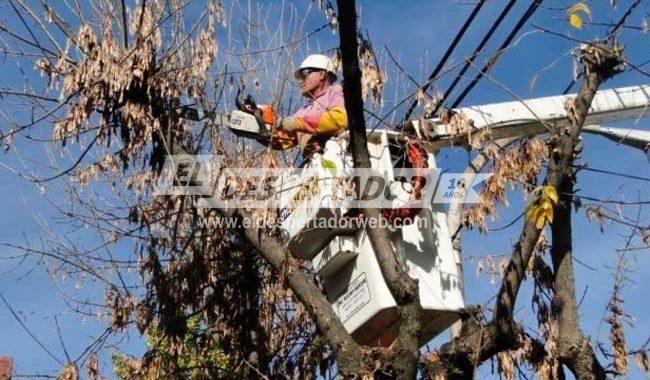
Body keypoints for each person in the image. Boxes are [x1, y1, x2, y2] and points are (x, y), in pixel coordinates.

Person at [265, 54, 348, 159]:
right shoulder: (304, 111)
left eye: (304, 74)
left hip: (337, 158)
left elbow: (341, 119)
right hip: (313, 162)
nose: (301, 81)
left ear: (322, 74)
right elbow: (284, 140)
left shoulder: (336, 92)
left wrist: (297, 123)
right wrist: (261, 129)